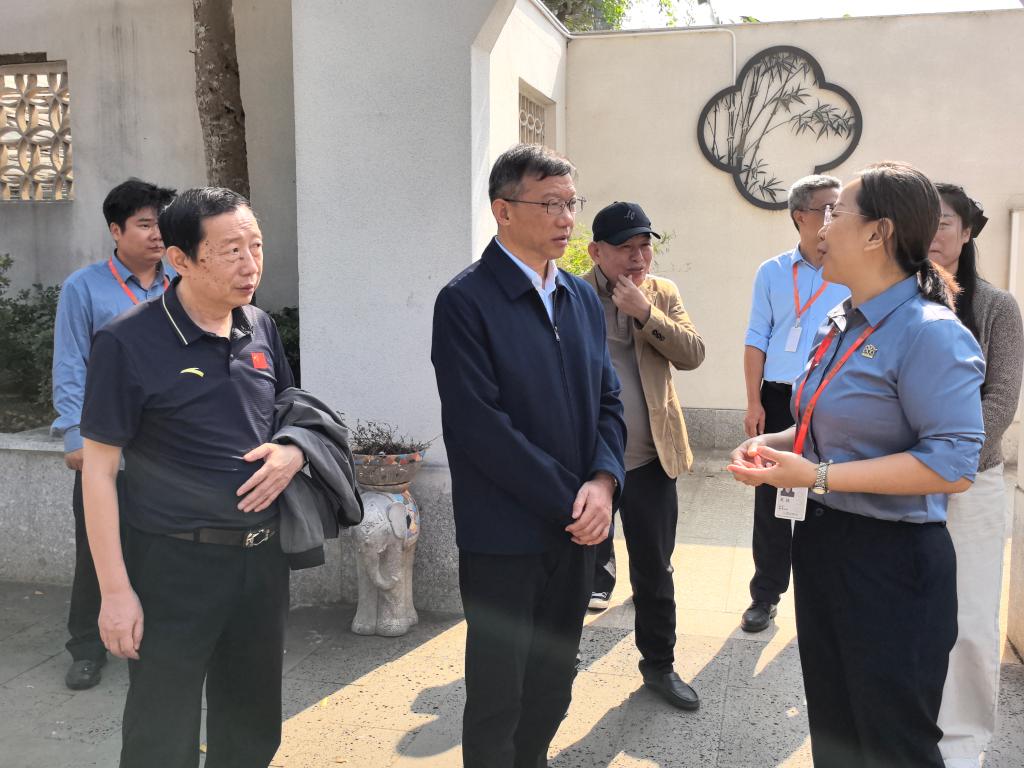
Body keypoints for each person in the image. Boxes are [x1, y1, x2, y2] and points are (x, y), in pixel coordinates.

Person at [727, 162, 985, 767]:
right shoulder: (843, 319)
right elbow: (819, 426)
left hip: (892, 563)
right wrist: (775, 444)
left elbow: (953, 464)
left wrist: (817, 476)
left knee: (892, 743)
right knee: (837, 730)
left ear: (878, 233)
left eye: (835, 213)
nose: (821, 228)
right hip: (825, 544)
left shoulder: (930, 332)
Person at [80, 188, 302, 768]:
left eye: (256, 246)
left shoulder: (259, 326)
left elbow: (290, 414)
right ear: (180, 259)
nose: (250, 265)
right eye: (231, 251)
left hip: (261, 561)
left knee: (252, 724)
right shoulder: (126, 341)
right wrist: (115, 593)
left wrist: (293, 452)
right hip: (172, 566)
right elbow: (98, 472)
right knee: (161, 731)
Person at [431, 143, 626, 768]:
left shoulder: (581, 298)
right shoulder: (465, 301)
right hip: (505, 536)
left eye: (571, 203)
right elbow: (479, 425)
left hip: (576, 531)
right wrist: (572, 500)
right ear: (503, 210)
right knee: (499, 691)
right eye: (550, 204)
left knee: (553, 680)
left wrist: (604, 481)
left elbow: (609, 400)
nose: (566, 219)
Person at [50, 178, 176, 690]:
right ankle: (86, 646)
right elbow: (70, 363)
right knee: (97, 549)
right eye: (144, 224)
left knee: (164, 549)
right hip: (106, 445)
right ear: (116, 230)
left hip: (167, 446)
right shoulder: (84, 287)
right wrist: (74, 436)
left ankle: (156, 637)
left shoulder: (181, 281)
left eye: (161, 224)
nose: (157, 234)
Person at [582, 201, 705, 710]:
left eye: (644, 247)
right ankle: (558, 654)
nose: (638, 258)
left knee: (655, 569)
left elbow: (693, 354)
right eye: (625, 248)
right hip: (588, 463)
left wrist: (645, 313)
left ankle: (659, 665)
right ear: (596, 252)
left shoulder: (662, 293)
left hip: (652, 459)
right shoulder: (572, 296)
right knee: (575, 567)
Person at [930, 183, 1024, 768]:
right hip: (900, 482)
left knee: (968, 617)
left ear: (967, 233)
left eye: (944, 223)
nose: (932, 234)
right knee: (909, 612)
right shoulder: (898, 298)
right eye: (923, 221)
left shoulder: (995, 307)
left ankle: (962, 741)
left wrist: (944, 463)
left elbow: (1001, 400)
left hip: (970, 485)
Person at [739, 174, 847, 633]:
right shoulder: (773, 272)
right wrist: (753, 402)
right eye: (828, 208)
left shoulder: (851, 269)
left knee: (826, 495)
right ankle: (765, 594)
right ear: (801, 216)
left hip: (832, 399)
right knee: (771, 496)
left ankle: (824, 596)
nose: (836, 216)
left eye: (840, 208)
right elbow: (756, 338)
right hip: (779, 397)